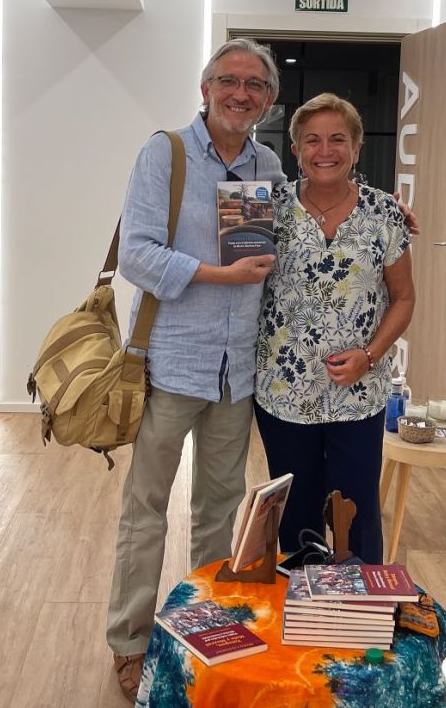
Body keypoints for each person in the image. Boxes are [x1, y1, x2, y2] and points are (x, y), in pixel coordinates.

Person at [106, 38, 285, 702]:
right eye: (229, 80)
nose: (241, 93)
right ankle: (129, 642)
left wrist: (378, 209)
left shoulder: (268, 163)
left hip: (236, 372)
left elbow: (294, 234)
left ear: (268, 100)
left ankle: (200, 637)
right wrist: (217, 274)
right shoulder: (167, 153)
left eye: (255, 84)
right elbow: (136, 255)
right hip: (171, 362)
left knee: (219, 510)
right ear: (205, 89)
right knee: (145, 510)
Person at [254, 93, 416, 564]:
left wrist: (370, 354)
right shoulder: (268, 209)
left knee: (358, 517)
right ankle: (304, 604)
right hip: (284, 393)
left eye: (337, 139)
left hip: (358, 395)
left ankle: (360, 604)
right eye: (312, 140)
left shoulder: (383, 213)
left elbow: (404, 298)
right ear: (295, 150)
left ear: (357, 148)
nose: (325, 150)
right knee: (296, 520)